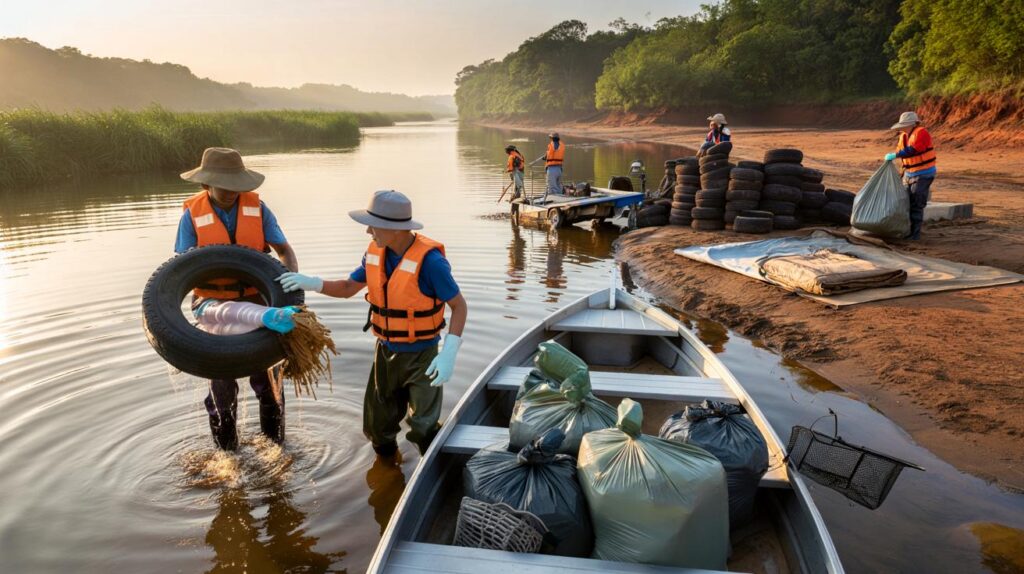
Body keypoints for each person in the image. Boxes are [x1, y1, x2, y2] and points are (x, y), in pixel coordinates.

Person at [276, 190, 468, 457]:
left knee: (423, 428)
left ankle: (433, 470)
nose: (368, 231)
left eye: (373, 225)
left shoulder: (431, 263)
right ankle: (389, 468)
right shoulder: (375, 253)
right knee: (377, 428)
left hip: (423, 356)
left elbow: (459, 306)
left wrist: (449, 353)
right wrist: (313, 283)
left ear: (395, 229)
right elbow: (347, 287)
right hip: (386, 352)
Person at [175, 147, 300, 451]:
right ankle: (227, 457)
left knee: (269, 385)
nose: (232, 191)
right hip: (211, 307)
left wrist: (290, 292)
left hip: (257, 301)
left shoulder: (258, 210)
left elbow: (284, 251)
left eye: (237, 185)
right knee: (221, 388)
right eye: (225, 185)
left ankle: (275, 452)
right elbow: (181, 268)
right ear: (207, 184)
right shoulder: (192, 215)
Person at [884, 111, 937, 240]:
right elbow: (900, 151)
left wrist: (895, 155)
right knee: (906, 202)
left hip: (923, 173)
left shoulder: (921, 133)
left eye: (904, 125)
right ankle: (909, 230)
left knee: (916, 203)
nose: (902, 128)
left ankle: (915, 235)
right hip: (909, 174)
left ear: (913, 124)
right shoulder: (903, 135)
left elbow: (915, 149)